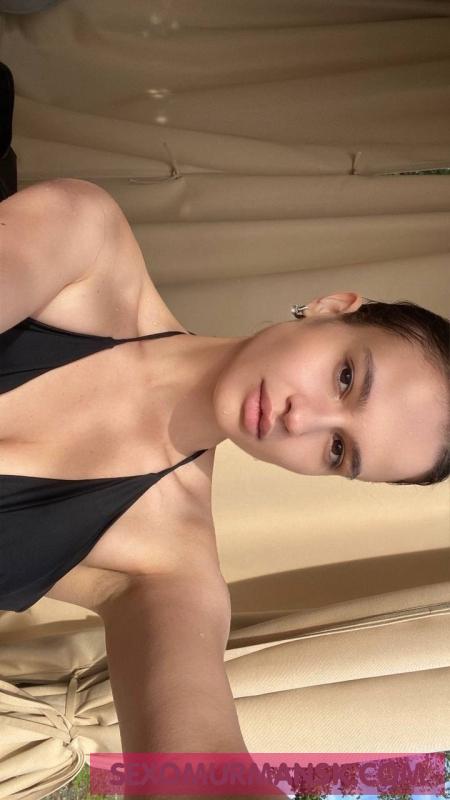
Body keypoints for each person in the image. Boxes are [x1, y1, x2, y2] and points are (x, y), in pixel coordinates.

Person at [1, 178, 449, 767]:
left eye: (338, 450)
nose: (302, 421)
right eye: (346, 378)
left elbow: (197, 764)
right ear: (332, 307)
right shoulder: (87, 245)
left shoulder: (168, 569)